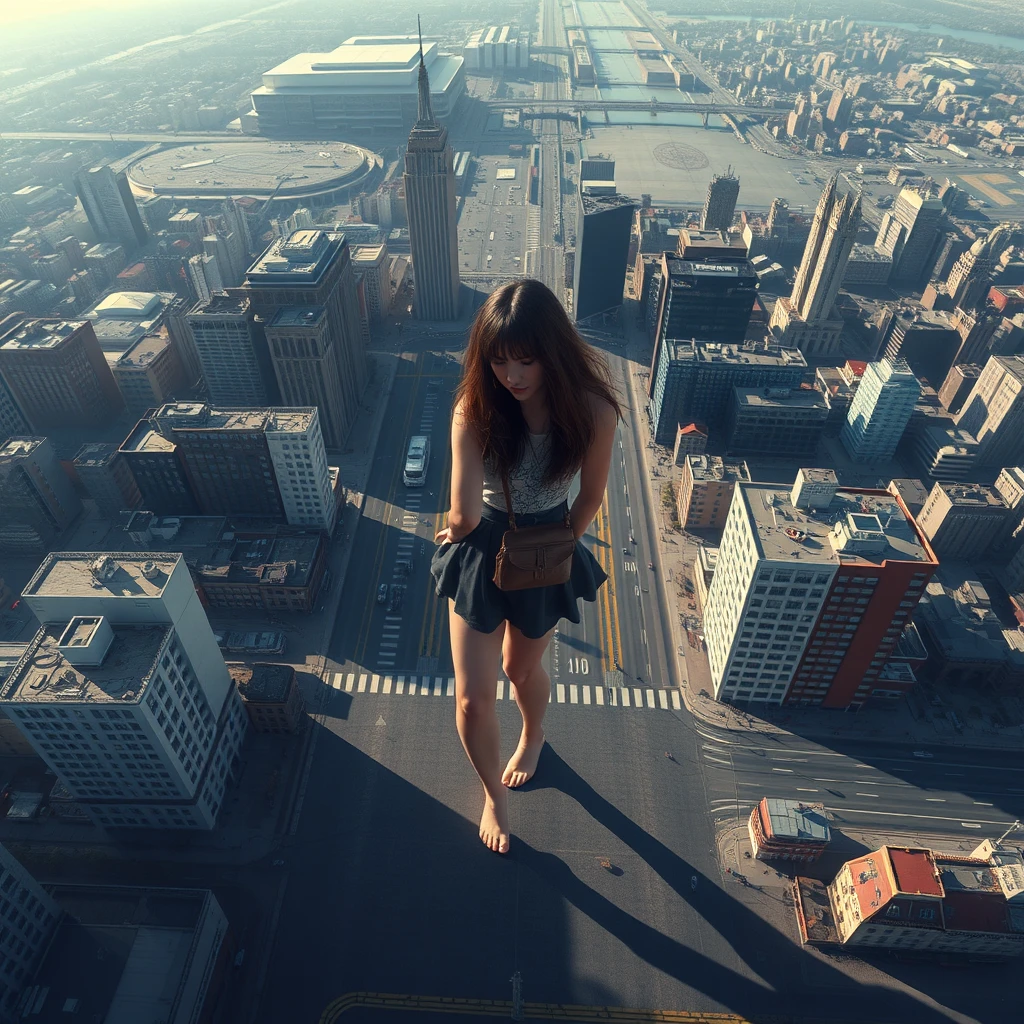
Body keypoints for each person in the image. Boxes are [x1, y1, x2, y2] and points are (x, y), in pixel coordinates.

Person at [431, 280, 621, 854]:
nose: (511, 374)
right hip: (521, 541)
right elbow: (589, 498)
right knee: (477, 694)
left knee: (510, 674)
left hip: (520, 543)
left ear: (551, 350)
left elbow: (459, 513)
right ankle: (496, 793)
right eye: (499, 359)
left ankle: (533, 737)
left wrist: (454, 531)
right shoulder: (480, 405)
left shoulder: (588, 408)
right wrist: (559, 544)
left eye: (525, 358)